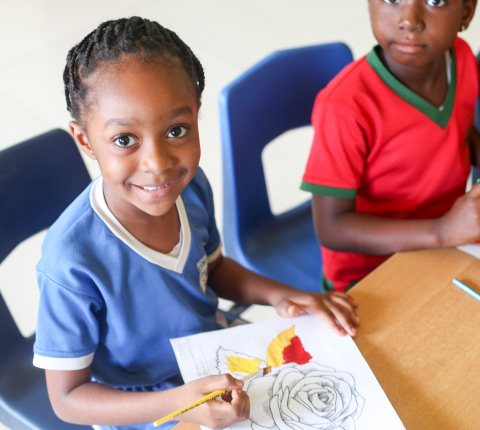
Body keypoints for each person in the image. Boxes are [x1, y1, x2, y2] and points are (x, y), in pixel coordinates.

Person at [33, 17, 360, 430]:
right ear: (85, 140)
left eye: (176, 130)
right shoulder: (70, 261)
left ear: (196, 115)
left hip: (213, 355)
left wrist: (283, 295)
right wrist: (182, 404)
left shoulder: (190, 187)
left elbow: (215, 269)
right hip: (139, 405)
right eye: (124, 140)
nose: (158, 164)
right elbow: (67, 398)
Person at [301, 0, 480, 293]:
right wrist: (443, 230)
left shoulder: (462, 59)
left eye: (435, 1)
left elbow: (457, 128)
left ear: (466, 12)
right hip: (371, 273)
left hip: (448, 243)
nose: (409, 20)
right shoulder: (344, 108)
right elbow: (331, 227)